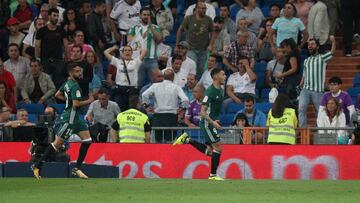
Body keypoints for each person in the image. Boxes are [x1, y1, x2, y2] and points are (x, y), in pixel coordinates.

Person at [31, 63, 95, 179]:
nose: (80, 73)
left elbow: (57, 94)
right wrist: (89, 100)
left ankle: (77, 168)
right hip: (70, 119)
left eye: (80, 71)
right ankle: (37, 165)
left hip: (76, 120)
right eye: (77, 71)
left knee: (88, 140)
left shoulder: (67, 83)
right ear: (71, 73)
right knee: (57, 144)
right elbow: (76, 104)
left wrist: (68, 100)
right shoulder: (75, 86)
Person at [173, 68, 226, 181]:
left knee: (212, 152)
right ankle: (212, 175)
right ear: (216, 77)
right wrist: (212, 122)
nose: (225, 76)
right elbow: (202, 111)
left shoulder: (221, 90)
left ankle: (187, 140)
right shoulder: (210, 92)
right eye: (223, 74)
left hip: (213, 122)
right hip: (208, 123)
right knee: (218, 148)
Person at [142, 69, 189, 143]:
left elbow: (144, 95)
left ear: (163, 77)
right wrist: (182, 109)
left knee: (158, 141)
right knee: (170, 141)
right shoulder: (176, 87)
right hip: (171, 117)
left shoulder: (155, 86)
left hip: (158, 117)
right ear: (173, 78)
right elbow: (185, 100)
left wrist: (147, 106)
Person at [298, 36, 336, 128]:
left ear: (317, 46)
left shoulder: (322, 58)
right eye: (309, 44)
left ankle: (318, 129)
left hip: (318, 90)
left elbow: (332, 53)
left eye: (312, 44)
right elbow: (304, 74)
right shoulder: (306, 60)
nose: (310, 46)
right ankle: (303, 130)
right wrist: (300, 85)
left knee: (320, 112)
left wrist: (333, 41)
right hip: (305, 89)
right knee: (301, 108)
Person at [176, 1, 215, 79]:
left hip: (203, 49)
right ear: (197, 9)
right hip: (191, 48)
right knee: (192, 67)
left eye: (205, 8)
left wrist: (211, 45)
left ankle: (197, 87)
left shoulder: (208, 19)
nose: (204, 10)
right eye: (202, 8)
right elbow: (180, 30)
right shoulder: (189, 18)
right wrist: (177, 45)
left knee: (201, 70)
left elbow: (213, 32)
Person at [104, 45, 146, 111]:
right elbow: (105, 52)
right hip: (120, 89)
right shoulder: (117, 61)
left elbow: (144, 51)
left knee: (131, 109)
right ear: (122, 53)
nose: (127, 52)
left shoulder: (136, 62)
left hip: (131, 89)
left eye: (129, 50)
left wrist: (137, 49)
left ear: (132, 53)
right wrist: (113, 48)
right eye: (125, 50)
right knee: (119, 109)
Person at [128, 7, 162, 88]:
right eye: (144, 15)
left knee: (156, 84)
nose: (146, 16)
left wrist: (150, 26)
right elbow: (129, 41)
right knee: (136, 84)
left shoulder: (156, 27)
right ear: (140, 15)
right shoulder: (133, 28)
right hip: (138, 60)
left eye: (148, 15)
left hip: (152, 60)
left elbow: (159, 40)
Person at [35, 7, 68, 89]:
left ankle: (58, 99)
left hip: (58, 60)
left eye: (57, 15)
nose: (56, 17)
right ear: (49, 16)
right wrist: (38, 59)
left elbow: (66, 45)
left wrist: (67, 56)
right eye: (54, 15)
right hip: (45, 60)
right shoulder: (42, 31)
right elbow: (37, 46)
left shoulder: (61, 30)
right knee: (46, 83)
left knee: (58, 82)